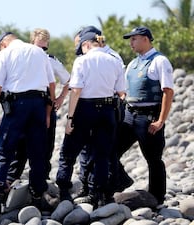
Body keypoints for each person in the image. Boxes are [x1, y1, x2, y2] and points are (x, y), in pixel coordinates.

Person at [0, 31, 55, 218]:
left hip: (17, 106)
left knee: (3, 151)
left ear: (3, 44)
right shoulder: (38, 52)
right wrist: (48, 114)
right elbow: (52, 84)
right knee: (37, 154)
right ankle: (38, 198)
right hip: (38, 105)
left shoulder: (2, 55)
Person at [55, 31, 125, 209]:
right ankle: (98, 195)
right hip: (108, 109)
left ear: (86, 45)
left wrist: (70, 117)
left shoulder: (82, 61)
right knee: (102, 155)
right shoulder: (115, 60)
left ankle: (64, 192)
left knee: (68, 153)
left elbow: (76, 90)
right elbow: (121, 90)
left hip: (85, 109)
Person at [112, 26, 174, 205]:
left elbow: (168, 91)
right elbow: (124, 90)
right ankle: (122, 181)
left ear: (145, 39)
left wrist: (161, 120)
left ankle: (157, 197)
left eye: (134, 39)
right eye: (130, 39)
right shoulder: (132, 63)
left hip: (149, 117)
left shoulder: (160, 61)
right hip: (129, 115)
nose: (131, 43)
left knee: (153, 159)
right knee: (111, 151)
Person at [6, 28, 70, 184]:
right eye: (38, 47)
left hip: (46, 105)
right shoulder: (21, 58)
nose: (41, 51)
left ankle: (41, 186)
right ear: (31, 43)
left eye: (44, 48)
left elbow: (68, 80)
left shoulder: (51, 60)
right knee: (20, 149)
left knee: (45, 150)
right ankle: (10, 181)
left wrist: (61, 98)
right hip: (25, 106)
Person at [73, 25, 129, 200]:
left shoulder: (111, 57)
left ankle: (102, 189)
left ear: (89, 42)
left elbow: (119, 89)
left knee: (102, 151)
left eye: (80, 45)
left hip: (105, 107)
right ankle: (92, 186)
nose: (80, 51)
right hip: (103, 108)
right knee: (89, 150)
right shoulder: (110, 56)